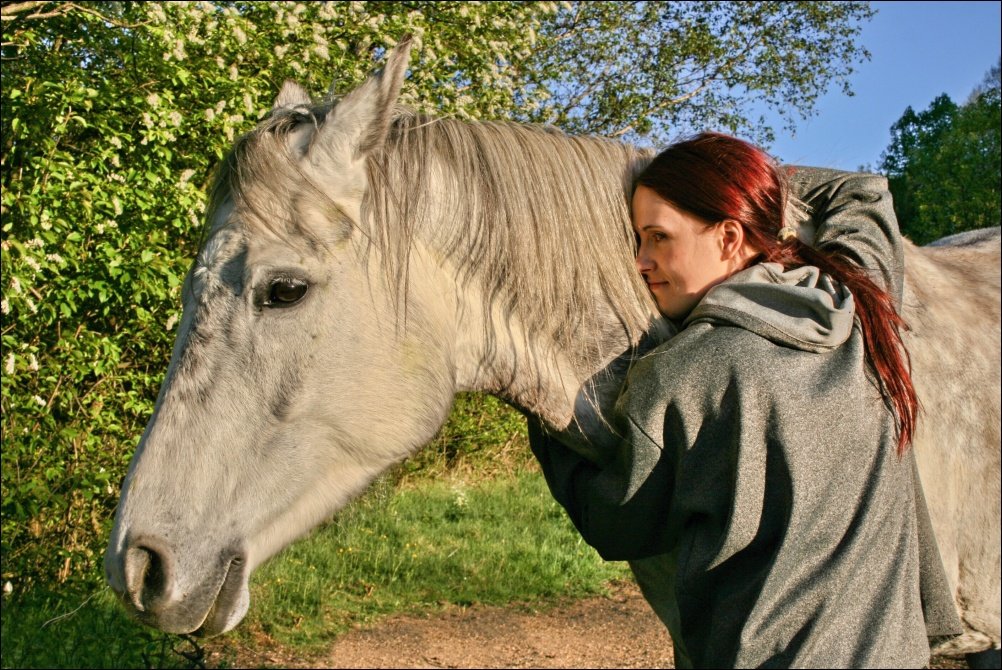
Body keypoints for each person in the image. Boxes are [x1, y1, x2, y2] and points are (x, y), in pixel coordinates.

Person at [528, 132, 962, 668]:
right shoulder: (860, 306)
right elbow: (862, 190)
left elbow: (618, 522)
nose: (641, 262)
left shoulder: (682, 377)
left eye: (658, 237)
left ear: (730, 236)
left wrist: (544, 407)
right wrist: (743, 178)